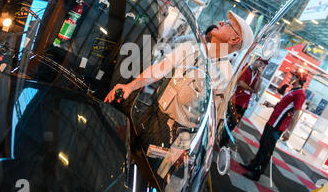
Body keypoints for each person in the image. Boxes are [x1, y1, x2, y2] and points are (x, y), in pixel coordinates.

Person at [104, 10, 254, 151]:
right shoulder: (191, 48)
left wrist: (185, 149)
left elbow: (212, 120)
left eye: (227, 23)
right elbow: (159, 69)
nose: (221, 22)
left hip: (174, 136)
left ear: (234, 39)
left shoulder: (225, 76)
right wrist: (130, 86)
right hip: (152, 112)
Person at [241, 70, 307, 181]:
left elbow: (296, 114)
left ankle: (257, 173)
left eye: (293, 76)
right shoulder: (293, 91)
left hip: (277, 126)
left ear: (298, 79)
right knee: (263, 145)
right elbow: (284, 107)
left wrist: (289, 131)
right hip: (272, 122)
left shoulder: (300, 94)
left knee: (267, 150)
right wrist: (272, 105)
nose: (290, 78)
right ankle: (253, 165)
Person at [219, 57, 268, 147]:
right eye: (260, 63)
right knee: (228, 121)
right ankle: (222, 140)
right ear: (255, 60)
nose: (261, 66)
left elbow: (256, 90)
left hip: (244, 104)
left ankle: (224, 140)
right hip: (235, 99)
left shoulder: (257, 76)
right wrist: (250, 89)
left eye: (263, 65)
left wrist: (260, 78)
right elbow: (241, 83)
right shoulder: (245, 68)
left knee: (233, 123)